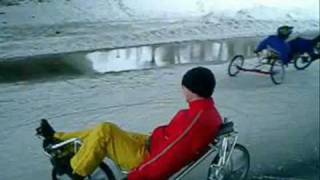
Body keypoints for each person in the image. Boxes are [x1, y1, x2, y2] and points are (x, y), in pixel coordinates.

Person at [36, 66, 223, 180]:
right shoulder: (206, 112)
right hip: (154, 143)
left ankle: (77, 170)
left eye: (183, 87)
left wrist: (137, 176)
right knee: (104, 132)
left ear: (190, 89)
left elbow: (169, 156)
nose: (182, 90)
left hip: (148, 158)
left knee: (105, 130)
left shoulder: (193, 120)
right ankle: (57, 138)